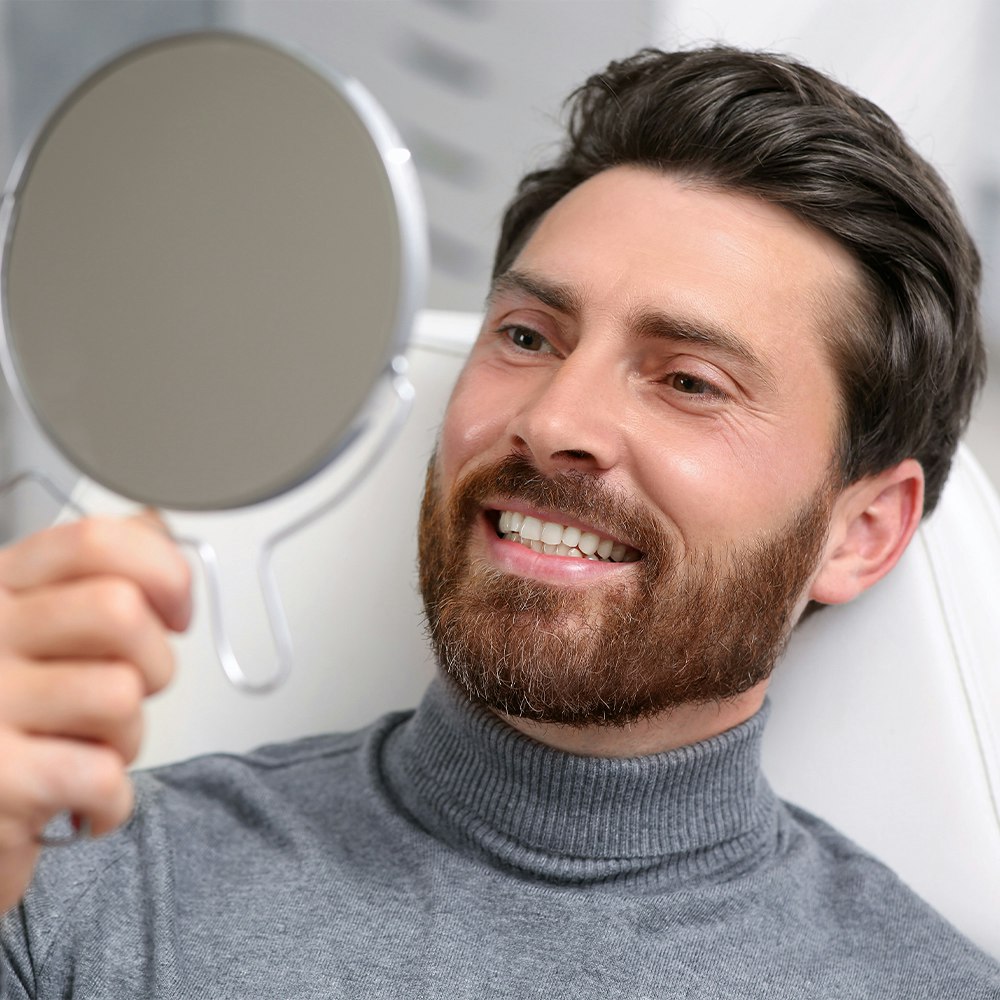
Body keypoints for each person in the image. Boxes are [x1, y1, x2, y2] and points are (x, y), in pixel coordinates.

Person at [1, 44, 998, 998]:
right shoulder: (72, 894)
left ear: (862, 531)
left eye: (689, 381)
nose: (554, 421)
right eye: (526, 337)